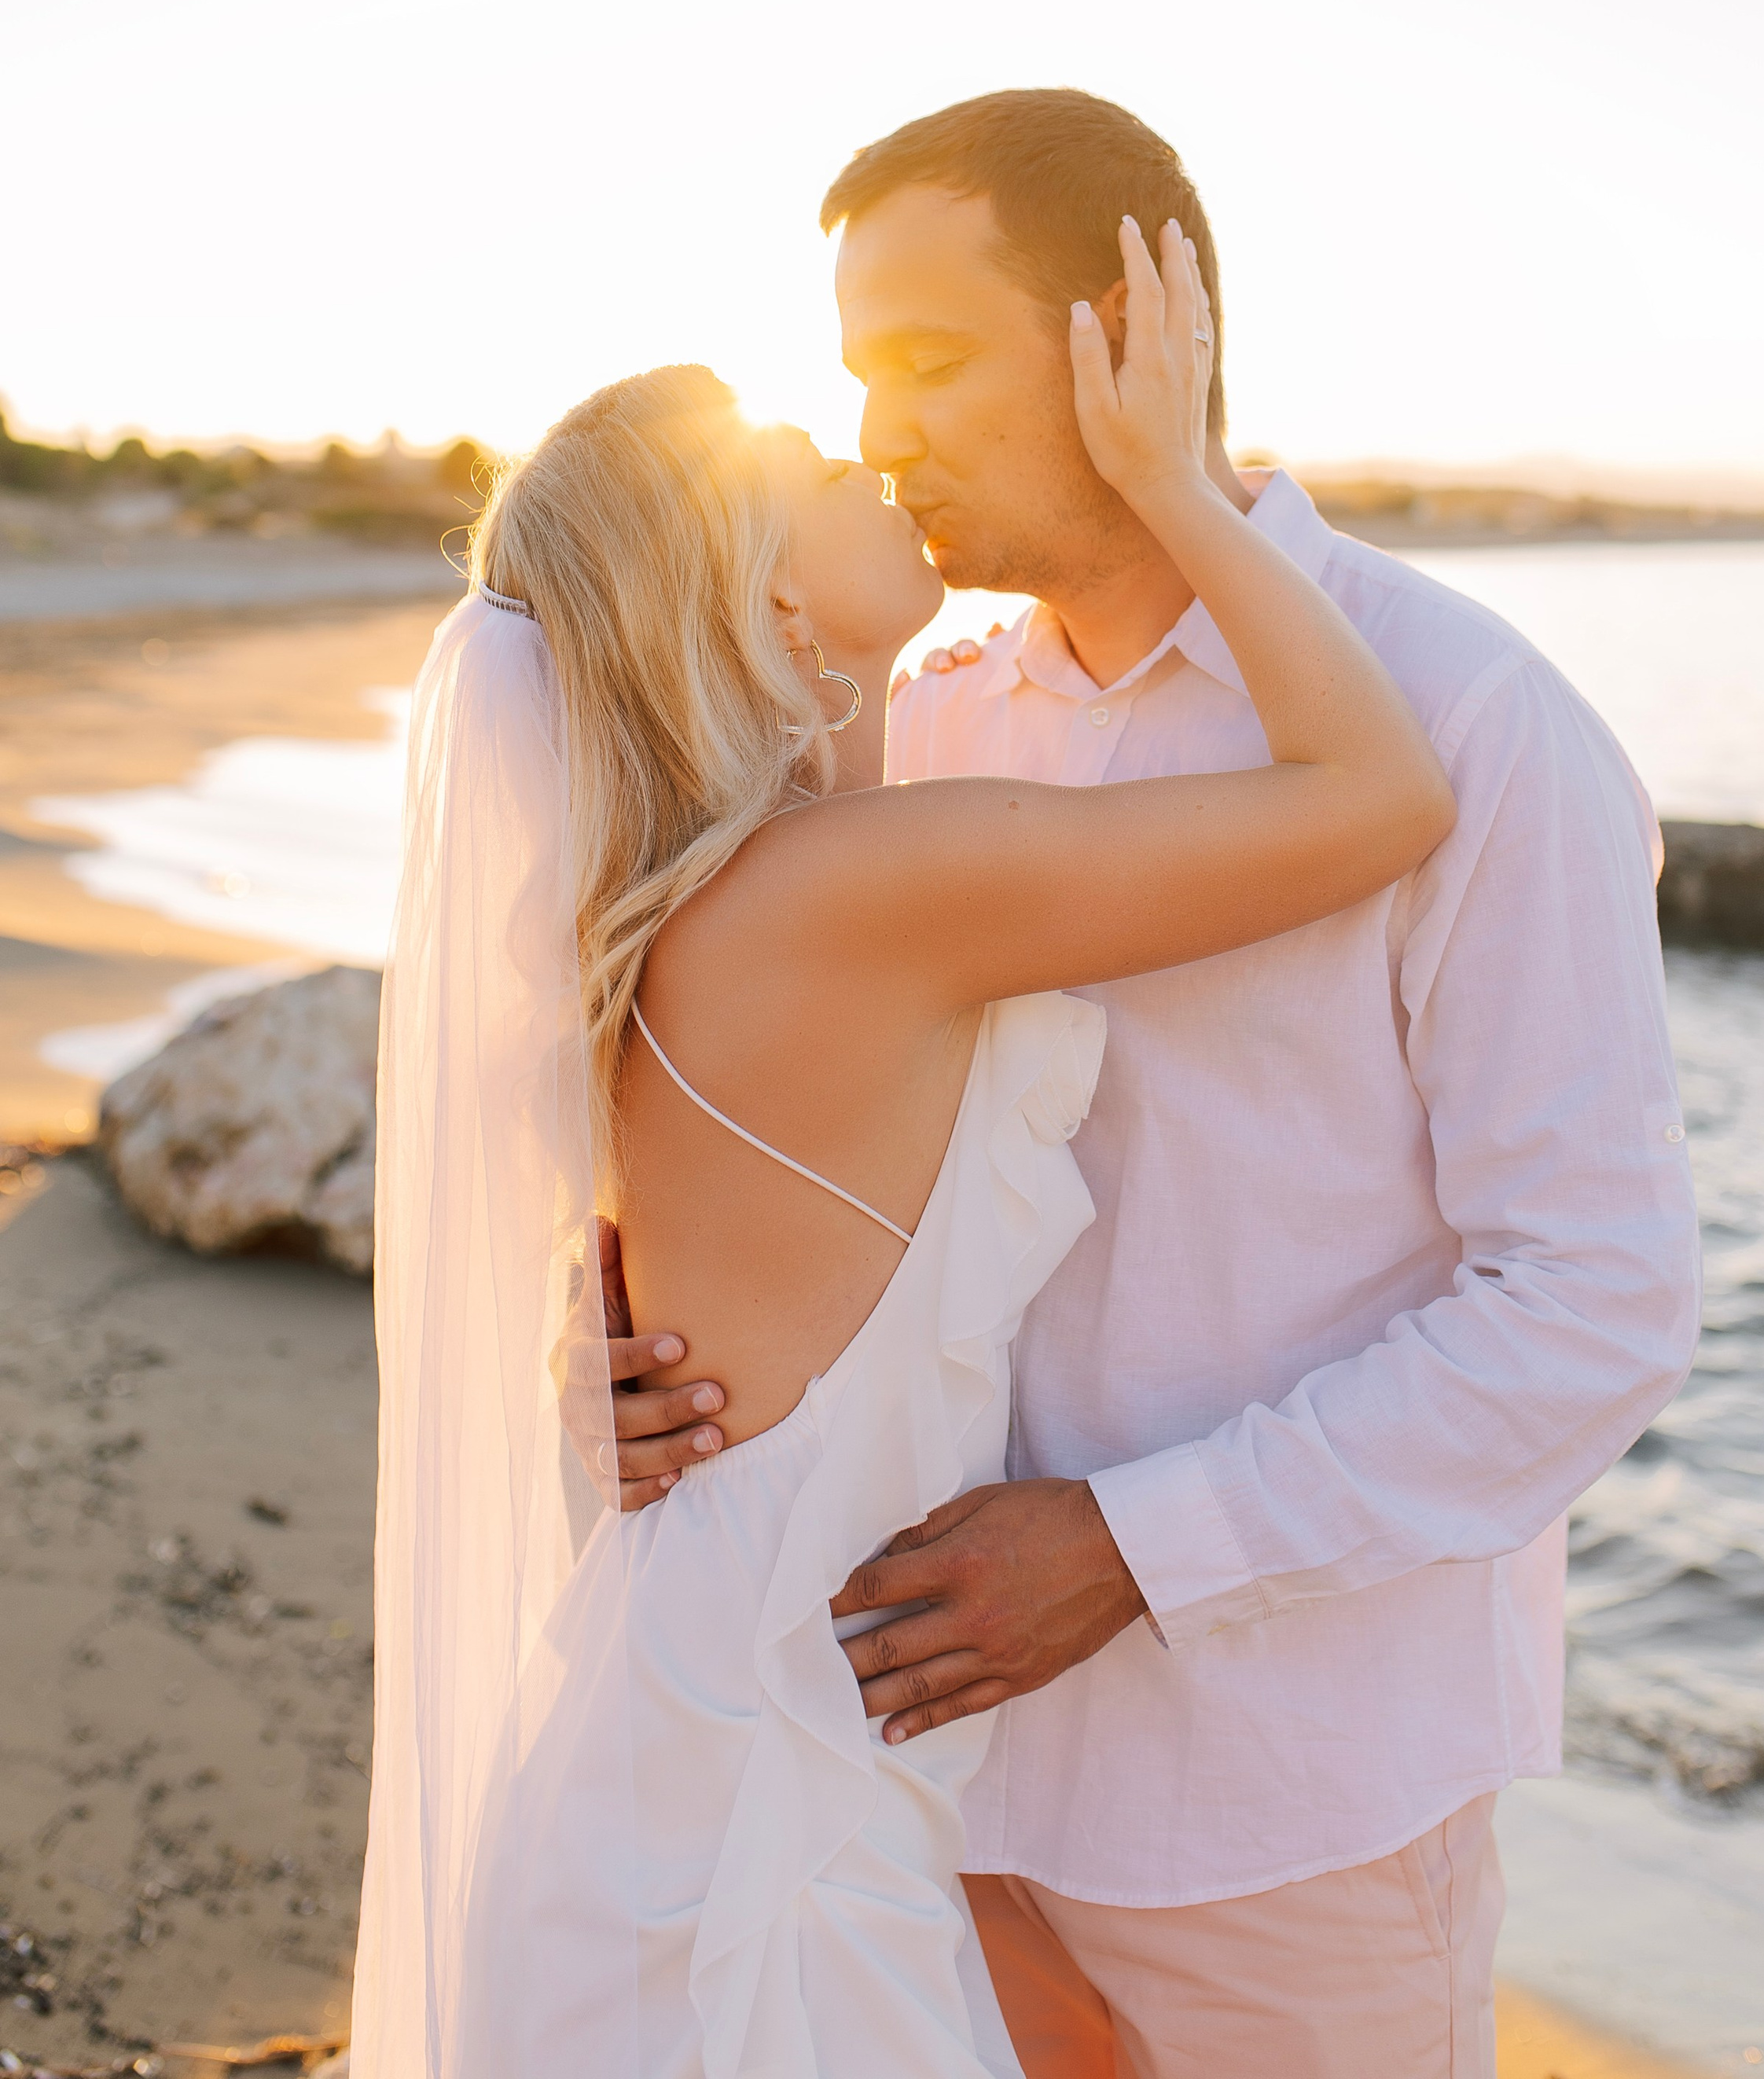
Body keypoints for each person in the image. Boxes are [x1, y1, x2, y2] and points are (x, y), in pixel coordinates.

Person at [615, 89, 1703, 2079]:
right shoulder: (917, 732)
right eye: (855, 378)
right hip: (908, 1758)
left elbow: (1592, 1303)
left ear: (1133, 322)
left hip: (1279, 1802)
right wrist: (627, 1368)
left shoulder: (1476, 722)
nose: (877, 435)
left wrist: (1129, 1546)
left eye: (932, 361)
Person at [350, 214, 1455, 2079]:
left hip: (721, 1743)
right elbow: (1381, 799)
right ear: (767, 607)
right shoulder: (858, 892)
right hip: (745, 1801)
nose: (854, 442)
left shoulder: (727, 901)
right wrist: (1183, 487)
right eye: (793, 460)